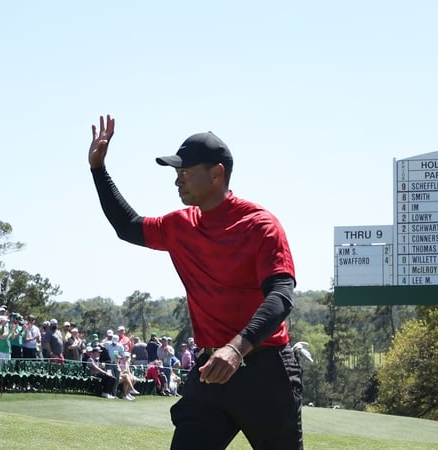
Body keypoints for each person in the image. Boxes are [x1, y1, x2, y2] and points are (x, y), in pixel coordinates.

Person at [88, 115, 303, 449]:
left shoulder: (260, 225)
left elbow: (281, 295)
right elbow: (128, 226)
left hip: (264, 369)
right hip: (209, 373)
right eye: (176, 173)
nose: (178, 181)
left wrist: (236, 347)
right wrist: (98, 170)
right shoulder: (179, 225)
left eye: (185, 173)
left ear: (216, 174)